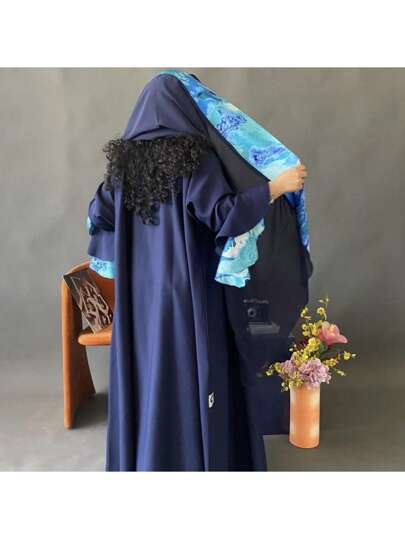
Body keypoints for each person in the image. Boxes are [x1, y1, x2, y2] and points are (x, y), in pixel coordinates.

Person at [87, 72, 312, 471]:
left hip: (138, 299)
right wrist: (274, 188)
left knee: (146, 372)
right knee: (191, 372)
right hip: (187, 293)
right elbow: (223, 215)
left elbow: (97, 214)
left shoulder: (122, 168)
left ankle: (147, 459)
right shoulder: (194, 158)